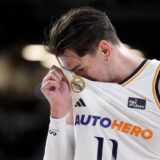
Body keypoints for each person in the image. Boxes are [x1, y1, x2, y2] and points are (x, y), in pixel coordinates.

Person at [41, 7, 160, 160]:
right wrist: (57, 113)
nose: (76, 77)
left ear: (105, 50)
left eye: (79, 69)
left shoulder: (155, 80)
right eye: (71, 71)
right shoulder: (76, 87)